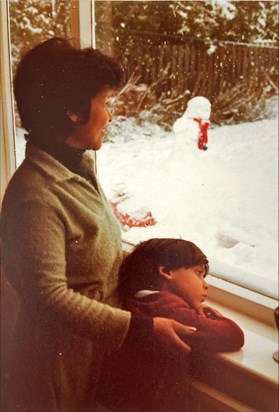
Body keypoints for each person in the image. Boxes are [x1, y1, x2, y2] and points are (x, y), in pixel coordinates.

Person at [0, 38, 196, 412]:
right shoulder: (34, 195)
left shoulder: (79, 168)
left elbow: (98, 260)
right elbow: (48, 297)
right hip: (53, 371)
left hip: (88, 355)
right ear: (72, 111)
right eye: (104, 103)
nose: (109, 115)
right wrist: (140, 328)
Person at [97, 238, 245, 412]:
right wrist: (212, 315)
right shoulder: (165, 307)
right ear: (166, 271)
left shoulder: (136, 300)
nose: (206, 285)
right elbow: (233, 335)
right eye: (198, 273)